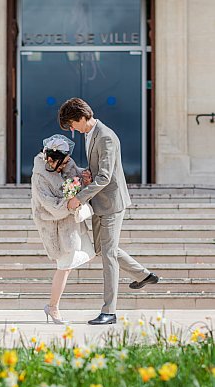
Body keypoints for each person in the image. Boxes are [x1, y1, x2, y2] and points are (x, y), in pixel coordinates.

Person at [58, 98, 159, 325]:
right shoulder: (89, 134)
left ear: (82, 117)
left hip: (112, 203)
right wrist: (82, 175)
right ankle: (143, 275)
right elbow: (97, 172)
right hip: (98, 203)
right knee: (101, 248)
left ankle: (109, 311)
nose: (72, 130)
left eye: (72, 125)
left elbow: (105, 176)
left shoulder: (105, 136)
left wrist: (78, 198)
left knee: (109, 254)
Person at [31, 134, 95, 324]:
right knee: (64, 266)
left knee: (79, 258)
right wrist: (69, 204)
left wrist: (84, 178)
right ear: (51, 159)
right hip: (54, 224)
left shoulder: (66, 162)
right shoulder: (39, 176)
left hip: (70, 222)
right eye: (64, 161)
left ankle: (52, 306)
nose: (67, 163)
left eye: (68, 160)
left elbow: (75, 177)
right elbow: (48, 204)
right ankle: (53, 307)